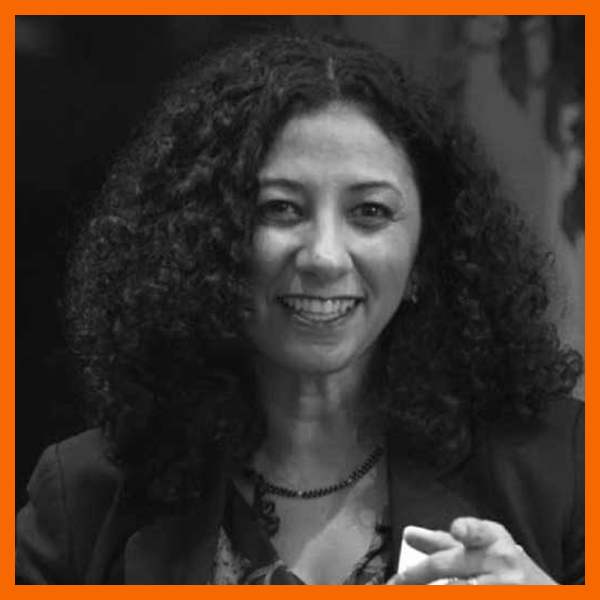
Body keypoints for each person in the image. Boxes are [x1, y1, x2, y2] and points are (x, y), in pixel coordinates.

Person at [16, 31, 584, 585]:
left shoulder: (567, 465)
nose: (325, 257)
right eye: (281, 209)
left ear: (426, 253)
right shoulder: (84, 494)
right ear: (208, 239)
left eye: (370, 212)